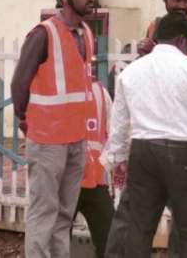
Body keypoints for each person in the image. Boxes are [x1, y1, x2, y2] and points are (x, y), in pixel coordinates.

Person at [103, 14, 187, 258]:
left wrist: (118, 157)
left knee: (139, 226)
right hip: (184, 155)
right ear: (182, 40)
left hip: (143, 152)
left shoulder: (131, 71)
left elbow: (119, 121)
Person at [11, 0, 101, 258]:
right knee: (44, 211)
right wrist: (26, 119)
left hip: (76, 139)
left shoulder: (86, 33)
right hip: (47, 140)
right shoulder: (43, 34)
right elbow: (19, 84)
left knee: (64, 214)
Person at [75, 75, 114, 258]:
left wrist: (106, 165)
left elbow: (113, 133)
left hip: (93, 180)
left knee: (109, 239)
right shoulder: (100, 93)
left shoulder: (101, 93)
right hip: (70, 183)